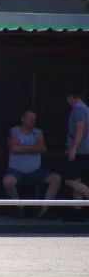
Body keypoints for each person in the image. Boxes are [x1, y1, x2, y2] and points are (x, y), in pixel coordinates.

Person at [2, 109, 61, 219]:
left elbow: (42, 149)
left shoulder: (38, 132)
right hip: (16, 170)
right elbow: (14, 148)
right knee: (7, 182)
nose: (32, 121)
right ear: (22, 119)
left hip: (36, 170)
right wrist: (33, 148)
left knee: (56, 178)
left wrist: (22, 147)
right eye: (29, 118)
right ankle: (19, 206)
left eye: (34, 119)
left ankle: (45, 209)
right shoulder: (14, 131)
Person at [62, 89, 89, 221]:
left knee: (69, 180)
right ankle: (77, 211)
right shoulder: (85, 108)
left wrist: (73, 149)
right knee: (77, 180)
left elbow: (80, 130)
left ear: (69, 97)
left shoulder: (78, 109)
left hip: (81, 151)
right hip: (83, 149)